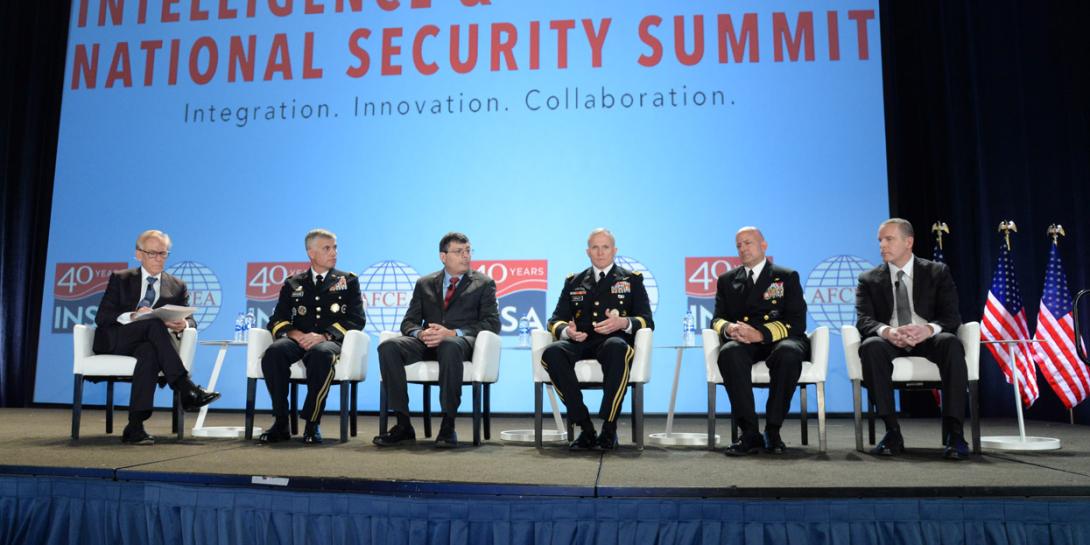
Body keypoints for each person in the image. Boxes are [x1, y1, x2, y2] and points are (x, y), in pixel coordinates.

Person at [855, 218, 969, 460]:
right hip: (891, 340)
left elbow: (951, 317)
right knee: (871, 346)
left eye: (889, 239)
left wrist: (928, 329)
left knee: (951, 343)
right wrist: (887, 332)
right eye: (880, 241)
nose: (882, 246)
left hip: (927, 337)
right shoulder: (868, 279)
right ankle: (892, 431)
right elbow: (864, 320)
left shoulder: (937, 272)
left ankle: (954, 432)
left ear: (909, 242)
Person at [373, 232, 500, 448]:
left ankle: (448, 425)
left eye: (468, 250)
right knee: (388, 347)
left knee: (449, 346)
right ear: (443, 256)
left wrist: (453, 333)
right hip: (428, 341)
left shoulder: (483, 283)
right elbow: (408, 322)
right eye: (459, 251)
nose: (465, 256)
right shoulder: (425, 283)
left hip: (460, 344)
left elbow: (492, 323)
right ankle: (403, 424)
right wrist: (420, 334)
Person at [93, 229, 220, 445]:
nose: (158, 259)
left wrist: (184, 323)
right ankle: (184, 386)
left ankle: (135, 427)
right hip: (118, 339)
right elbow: (102, 317)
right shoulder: (121, 279)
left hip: (148, 344)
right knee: (152, 322)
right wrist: (134, 315)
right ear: (139, 254)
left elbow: (192, 320)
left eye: (163, 253)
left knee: (149, 353)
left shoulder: (177, 286)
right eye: (152, 253)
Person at [542, 228, 654, 450]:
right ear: (587, 251)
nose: (600, 252)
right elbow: (555, 321)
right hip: (581, 341)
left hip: (612, 341)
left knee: (617, 348)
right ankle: (585, 426)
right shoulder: (574, 281)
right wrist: (567, 331)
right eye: (595, 247)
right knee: (552, 353)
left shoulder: (631, 280)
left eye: (605, 247)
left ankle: (609, 428)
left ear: (614, 250)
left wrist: (623, 323)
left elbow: (647, 321)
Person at [259, 229, 365, 445]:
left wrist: (324, 335)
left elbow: (356, 320)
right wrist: (296, 335)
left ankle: (312, 422)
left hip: (329, 343)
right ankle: (281, 422)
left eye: (335, 247)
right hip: (298, 340)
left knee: (320, 355)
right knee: (273, 353)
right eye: (327, 248)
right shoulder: (293, 283)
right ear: (311, 253)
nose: (334, 252)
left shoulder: (348, 281)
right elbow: (277, 319)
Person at [711, 227, 809, 455]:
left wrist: (762, 334)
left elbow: (797, 322)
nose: (743, 248)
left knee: (788, 353)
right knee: (729, 353)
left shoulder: (786, 276)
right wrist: (729, 327)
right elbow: (716, 319)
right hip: (745, 342)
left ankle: (773, 431)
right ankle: (750, 433)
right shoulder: (727, 280)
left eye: (748, 243)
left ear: (763, 245)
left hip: (780, 339)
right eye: (739, 245)